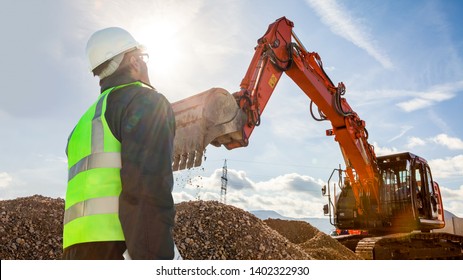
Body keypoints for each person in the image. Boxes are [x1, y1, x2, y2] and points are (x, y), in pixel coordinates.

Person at [63, 27, 177, 259]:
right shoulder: (144, 101)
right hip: (121, 246)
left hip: (74, 250)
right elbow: (146, 189)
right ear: (135, 61)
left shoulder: (82, 125)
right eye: (143, 58)